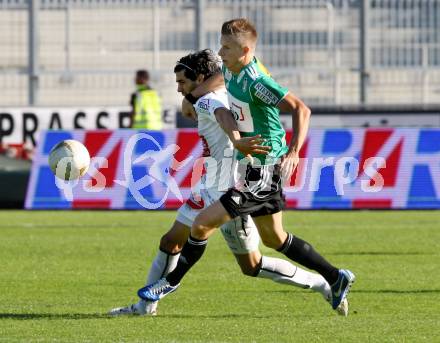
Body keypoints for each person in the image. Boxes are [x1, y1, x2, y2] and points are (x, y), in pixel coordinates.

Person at [138, 19, 355, 315]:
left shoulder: (257, 82)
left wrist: (293, 151)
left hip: (262, 167)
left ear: (245, 50)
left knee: (202, 225)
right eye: (220, 44)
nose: (220, 51)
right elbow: (216, 83)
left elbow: (300, 109)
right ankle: (334, 277)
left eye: (226, 47)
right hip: (251, 166)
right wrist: (192, 94)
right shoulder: (230, 69)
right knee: (274, 239)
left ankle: (169, 282)